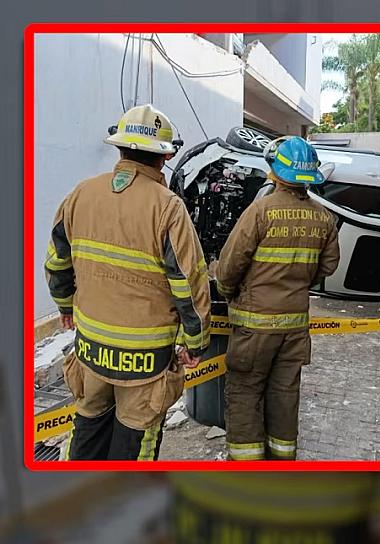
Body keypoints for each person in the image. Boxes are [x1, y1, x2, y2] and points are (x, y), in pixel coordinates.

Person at [45, 104, 211, 461]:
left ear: (118, 147)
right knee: (135, 445)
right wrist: (195, 343)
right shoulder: (168, 207)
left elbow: (57, 262)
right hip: (145, 362)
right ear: (165, 156)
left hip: (91, 349)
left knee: (87, 430)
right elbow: (189, 283)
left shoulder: (80, 194)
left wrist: (65, 306)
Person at [215, 136, 339, 461]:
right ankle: (282, 461)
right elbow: (327, 267)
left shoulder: (260, 211)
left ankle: (247, 467)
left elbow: (229, 267)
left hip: (254, 328)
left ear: (275, 171)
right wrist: (297, 282)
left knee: (245, 392)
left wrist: (228, 292)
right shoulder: (323, 217)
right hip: (294, 329)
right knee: (285, 394)